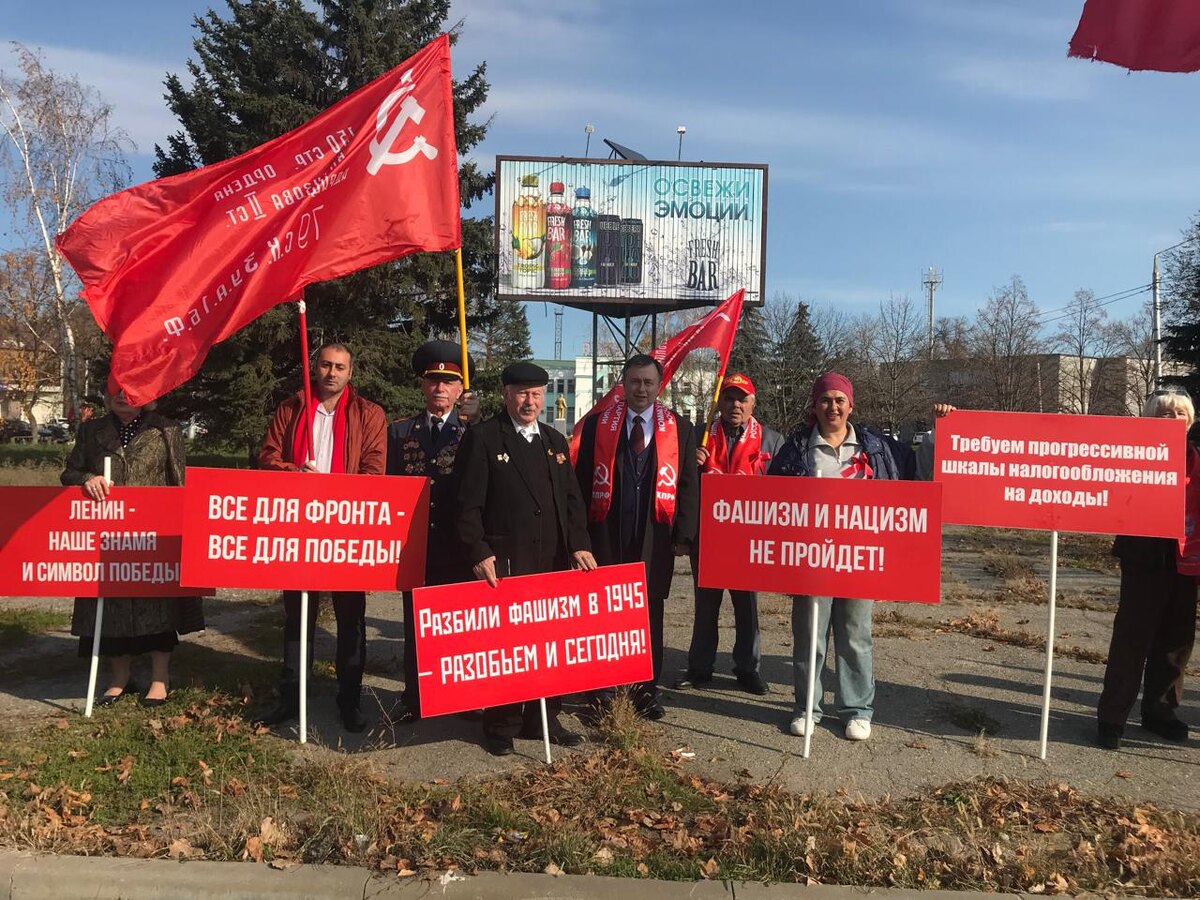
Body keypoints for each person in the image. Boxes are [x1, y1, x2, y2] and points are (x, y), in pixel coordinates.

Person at [454, 361, 597, 756]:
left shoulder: (554, 440)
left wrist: (579, 544)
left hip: (550, 561)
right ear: (506, 394)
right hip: (506, 562)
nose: (530, 402)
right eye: (522, 394)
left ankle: (544, 718)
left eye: (536, 394)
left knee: (548, 645)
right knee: (507, 647)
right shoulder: (484, 438)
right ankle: (500, 723)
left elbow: (572, 500)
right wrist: (478, 550)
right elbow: (466, 505)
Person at [768, 372, 914, 742]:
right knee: (810, 637)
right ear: (814, 405)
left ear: (851, 405)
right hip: (811, 559)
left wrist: (943, 428)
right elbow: (772, 502)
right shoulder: (796, 449)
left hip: (859, 559)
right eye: (825, 400)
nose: (832, 407)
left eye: (839, 400)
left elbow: (917, 475)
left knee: (855, 635)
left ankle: (857, 710)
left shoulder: (877, 447)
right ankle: (807, 708)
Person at [256, 342, 387, 733]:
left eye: (340, 367)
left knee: (351, 618)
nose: (332, 373)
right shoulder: (292, 408)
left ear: (350, 373)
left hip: (347, 527)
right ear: (315, 368)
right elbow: (267, 457)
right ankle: (291, 696)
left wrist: (337, 493)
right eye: (326, 365)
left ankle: (349, 701)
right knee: (298, 615)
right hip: (299, 525)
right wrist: (295, 474)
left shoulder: (368, 414)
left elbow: (374, 469)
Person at [574, 354, 699, 720]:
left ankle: (644, 691)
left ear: (658, 386)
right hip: (606, 534)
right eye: (634, 382)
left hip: (654, 537)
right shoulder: (598, 425)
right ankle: (602, 691)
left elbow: (688, 484)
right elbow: (581, 482)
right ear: (623, 384)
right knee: (605, 615)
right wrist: (580, 537)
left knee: (649, 615)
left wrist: (684, 534)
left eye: (648, 382)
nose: (641, 389)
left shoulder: (679, 427)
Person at [62, 385, 204, 707]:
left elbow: (179, 481)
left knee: (159, 606)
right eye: (116, 389)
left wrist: (185, 527)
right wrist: (86, 479)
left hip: (153, 534)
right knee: (109, 605)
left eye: (131, 389)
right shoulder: (90, 430)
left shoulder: (166, 429)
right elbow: (69, 472)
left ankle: (159, 679)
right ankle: (119, 679)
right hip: (106, 533)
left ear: (147, 395)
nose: (122, 395)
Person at [1097, 387, 1198, 750]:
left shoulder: (1197, 458)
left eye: (1179, 413)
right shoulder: (1132, 456)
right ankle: (1112, 718)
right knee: (1132, 638)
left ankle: (1160, 713)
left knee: (1176, 641)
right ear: (1149, 420)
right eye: (1164, 413)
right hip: (1144, 555)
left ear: (1190, 421)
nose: (1173, 419)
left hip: (1188, 557)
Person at [385, 340, 479, 723]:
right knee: (415, 622)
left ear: (460, 390)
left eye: (449, 382)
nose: (440, 388)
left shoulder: (473, 432)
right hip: (416, 543)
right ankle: (415, 698)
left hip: (457, 544)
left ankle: (462, 697)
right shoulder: (399, 432)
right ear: (423, 385)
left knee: (458, 623)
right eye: (433, 381)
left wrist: (476, 423)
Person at [677, 373, 784, 695]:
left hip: (749, 541)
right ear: (720, 402)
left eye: (742, 399)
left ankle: (748, 669)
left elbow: (784, 491)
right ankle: (699, 667)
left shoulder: (771, 440)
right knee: (705, 606)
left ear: (753, 404)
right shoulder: (700, 436)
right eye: (729, 398)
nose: (735, 405)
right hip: (708, 538)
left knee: (747, 607)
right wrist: (692, 463)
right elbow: (681, 483)